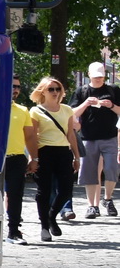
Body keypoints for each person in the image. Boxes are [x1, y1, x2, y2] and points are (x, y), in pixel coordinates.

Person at [27, 77, 79, 244]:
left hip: (64, 152)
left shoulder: (66, 110)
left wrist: (77, 156)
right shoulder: (36, 111)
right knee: (44, 190)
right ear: (43, 91)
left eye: (58, 88)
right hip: (45, 151)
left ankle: (51, 216)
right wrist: (33, 158)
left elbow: (71, 134)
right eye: (51, 89)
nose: (55, 92)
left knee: (66, 190)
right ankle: (44, 226)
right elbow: (32, 136)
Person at [72, 61, 119, 218]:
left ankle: (107, 198)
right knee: (89, 172)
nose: (98, 79)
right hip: (89, 137)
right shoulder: (82, 91)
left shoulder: (113, 90)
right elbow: (73, 113)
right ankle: (92, 206)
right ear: (89, 75)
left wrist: (111, 105)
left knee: (112, 168)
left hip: (110, 136)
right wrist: (86, 103)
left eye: (101, 76)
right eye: (96, 76)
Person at [2, 76, 38, 244]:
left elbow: (30, 136)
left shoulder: (23, 110)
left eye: (17, 87)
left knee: (15, 196)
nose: (15, 90)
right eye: (12, 86)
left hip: (16, 158)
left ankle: (14, 231)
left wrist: (34, 158)